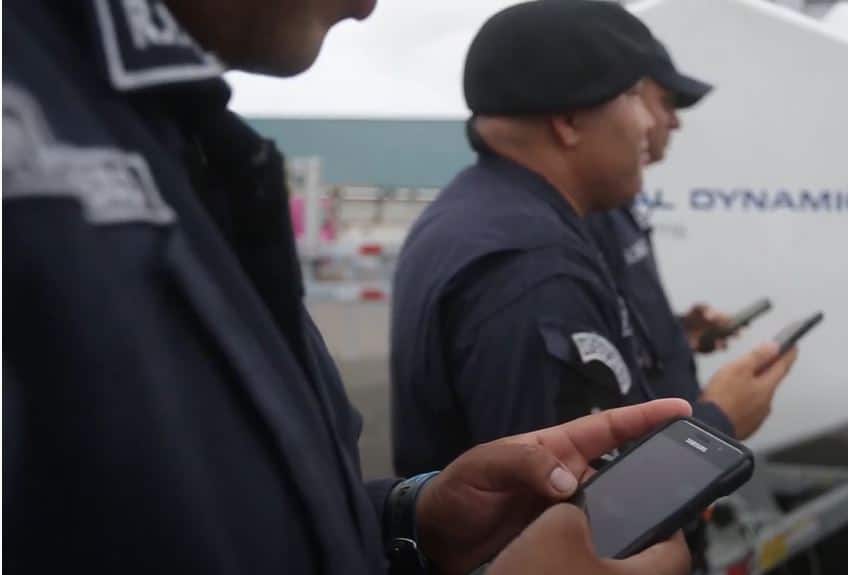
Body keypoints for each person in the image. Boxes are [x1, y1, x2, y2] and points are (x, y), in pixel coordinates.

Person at [3, 0, 692, 573]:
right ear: (569, 120)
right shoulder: (43, 149)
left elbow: (187, 512)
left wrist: (409, 521)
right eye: (639, 96)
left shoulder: (161, 139)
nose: (369, 6)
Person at [390, 1, 797, 477]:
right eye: (632, 97)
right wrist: (719, 422)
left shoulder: (480, 215)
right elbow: (584, 514)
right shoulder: (534, 268)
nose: (649, 124)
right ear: (569, 122)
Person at [585, 37, 795, 444]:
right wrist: (718, 423)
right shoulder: (585, 214)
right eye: (666, 101)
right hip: (653, 475)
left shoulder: (615, 203)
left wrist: (674, 335)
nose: (670, 122)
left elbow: (610, 332)